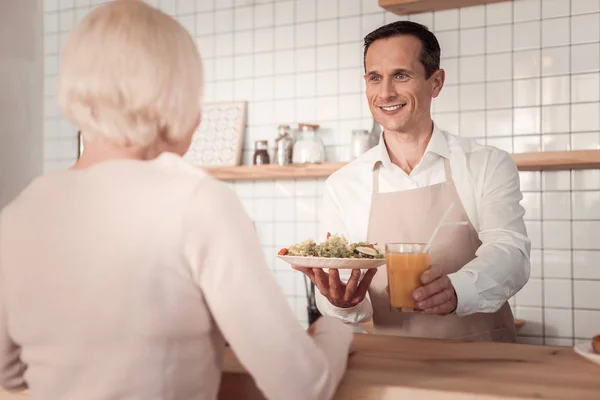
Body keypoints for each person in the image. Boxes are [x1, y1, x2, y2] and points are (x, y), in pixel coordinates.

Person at [0, 1, 352, 399]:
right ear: (172, 97)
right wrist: (336, 328)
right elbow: (302, 387)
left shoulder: (18, 213)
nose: (199, 116)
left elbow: (10, 375)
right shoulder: (197, 199)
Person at [295, 21, 530, 343]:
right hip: (391, 362)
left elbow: (510, 251)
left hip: (483, 357)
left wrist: (459, 290)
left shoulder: (486, 163)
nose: (385, 92)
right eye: (375, 78)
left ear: (436, 83)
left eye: (401, 75)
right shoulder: (344, 184)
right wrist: (341, 303)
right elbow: (348, 290)